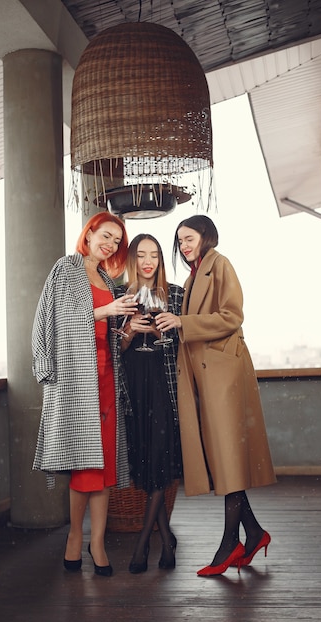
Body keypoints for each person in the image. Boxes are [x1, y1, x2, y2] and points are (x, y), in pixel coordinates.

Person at [156, 214, 276, 576]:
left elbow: (232, 316)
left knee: (227, 457)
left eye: (188, 238)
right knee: (225, 460)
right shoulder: (195, 274)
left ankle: (230, 544)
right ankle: (252, 533)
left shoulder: (219, 264)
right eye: (179, 241)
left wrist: (182, 323)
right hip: (206, 376)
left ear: (206, 236)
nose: (183, 245)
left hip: (223, 375)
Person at [32, 212, 138, 576]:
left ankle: (98, 542)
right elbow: (57, 321)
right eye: (105, 236)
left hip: (107, 378)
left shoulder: (108, 278)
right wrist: (105, 310)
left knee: (105, 463)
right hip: (77, 380)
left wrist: (126, 330)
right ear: (89, 232)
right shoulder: (67, 268)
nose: (109, 245)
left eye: (116, 241)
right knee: (85, 463)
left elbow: (109, 336)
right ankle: (76, 537)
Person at [117, 234, 183, 573]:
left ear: (160, 259)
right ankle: (165, 537)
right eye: (141, 254)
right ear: (132, 259)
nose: (148, 261)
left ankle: (144, 545)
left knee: (158, 458)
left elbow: (184, 346)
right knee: (145, 462)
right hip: (133, 391)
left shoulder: (175, 295)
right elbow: (114, 351)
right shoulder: (119, 295)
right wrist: (129, 332)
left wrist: (160, 335)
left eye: (154, 254)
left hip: (163, 389)